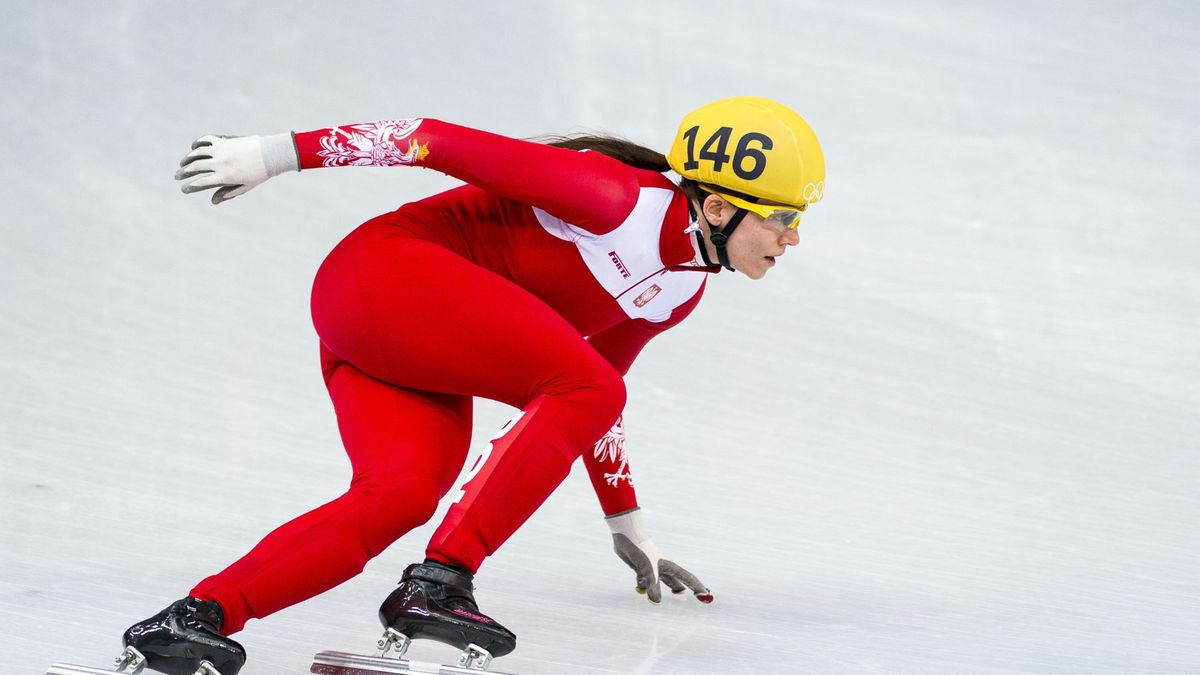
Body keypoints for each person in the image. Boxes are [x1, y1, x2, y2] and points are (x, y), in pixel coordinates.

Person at [119, 97, 825, 675]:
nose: (791, 238)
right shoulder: (614, 198)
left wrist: (624, 519)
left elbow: (594, 396)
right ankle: (440, 582)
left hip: (406, 344)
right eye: (783, 217)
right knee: (587, 385)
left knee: (397, 498)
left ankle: (195, 616)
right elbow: (429, 139)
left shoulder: (677, 293)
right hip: (383, 277)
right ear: (716, 208)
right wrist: (278, 153)